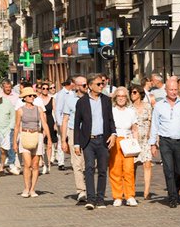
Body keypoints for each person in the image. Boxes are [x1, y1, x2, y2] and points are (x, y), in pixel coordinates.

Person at [148, 78, 180, 208]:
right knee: (168, 170)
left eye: (176, 89)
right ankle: (173, 197)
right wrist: (153, 144)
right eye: (171, 90)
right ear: (166, 90)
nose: (174, 92)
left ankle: (174, 190)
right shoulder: (159, 106)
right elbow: (154, 125)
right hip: (165, 141)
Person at [73, 74, 116, 210]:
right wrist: (76, 143)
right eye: (98, 84)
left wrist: (114, 134)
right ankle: (90, 199)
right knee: (89, 168)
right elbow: (77, 124)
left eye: (102, 84)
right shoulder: (82, 102)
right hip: (88, 141)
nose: (101, 86)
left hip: (103, 140)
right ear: (90, 86)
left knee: (103, 170)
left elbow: (110, 119)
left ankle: (100, 199)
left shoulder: (106, 100)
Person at [14, 86, 51, 198]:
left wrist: (48, 139)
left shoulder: (39, 108)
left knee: (35, 165)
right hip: (25, 135)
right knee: (27, 164)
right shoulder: (20, 110)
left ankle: (32, 189)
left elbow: (44, 124)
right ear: (24, 98)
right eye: (29, 96)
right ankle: (26, 188)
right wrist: (14, 142)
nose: (32, 97)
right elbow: (16, 126)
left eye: (33, 95)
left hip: (37, 135)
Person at [59, 76, 89, 202]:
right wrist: (63, 140)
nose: (86, 87)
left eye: (86, 84)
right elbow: (65, 119)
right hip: (73, 132)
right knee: (76, 163)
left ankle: (89, 188)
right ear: (76, 86)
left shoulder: (92, 98)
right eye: (83, 85)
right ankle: (81, 191)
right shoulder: (70, 99)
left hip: (89, 133)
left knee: (89, 163)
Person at [108, 86, 140, 207]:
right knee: (115, 169)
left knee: (129, 169)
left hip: (128, 141)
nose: (121, 98)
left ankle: (130, 196)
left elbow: (135, 129)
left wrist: (135, 143)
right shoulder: (111, 111)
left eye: (123, 96)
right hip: (115, 140)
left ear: (127, 98)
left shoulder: (131, 111)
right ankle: (117, 196)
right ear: (115, 98)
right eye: (119, 96)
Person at [129, 85, 155, 200]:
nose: (132, 94)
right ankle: (131, 190)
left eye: (134, 92)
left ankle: (146, 191)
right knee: (132, 165)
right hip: (133, 139)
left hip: (145, 139)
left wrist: (152, 136)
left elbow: (151, 121)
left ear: (140, 93)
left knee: (147, 164)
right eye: (131, 92)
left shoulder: (147, 106)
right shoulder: (129, 108)